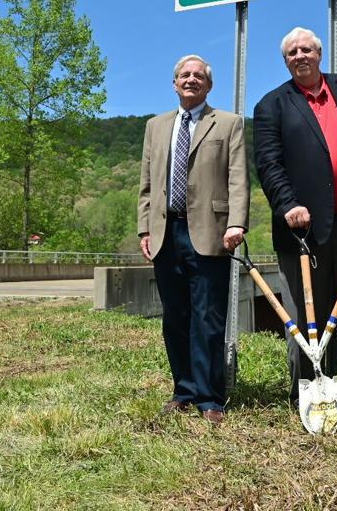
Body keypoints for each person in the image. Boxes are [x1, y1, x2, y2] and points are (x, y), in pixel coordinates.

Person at [253, 27, 337, 405]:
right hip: (304, 230)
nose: (300, 56)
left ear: (319, 53)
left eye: (306, 50)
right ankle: (314, 392)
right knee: (309, 320)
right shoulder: (271, 105)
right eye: (292, 52)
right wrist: (287, 204)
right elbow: (268, 164)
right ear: (285, 61)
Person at [138, 55, 248, 424]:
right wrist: (145, 229)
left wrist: (237, 223)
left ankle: (210, 397)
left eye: (198, 76)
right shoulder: (155, 126)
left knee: (209, 317)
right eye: (184, 75)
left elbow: (238, 178)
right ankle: (183, 390)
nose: (191, 80)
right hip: (166, 232)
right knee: (176, 316)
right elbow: (147, 184)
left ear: (209, 85)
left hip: (211, 232)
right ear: (174, 84)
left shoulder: (229, 124)